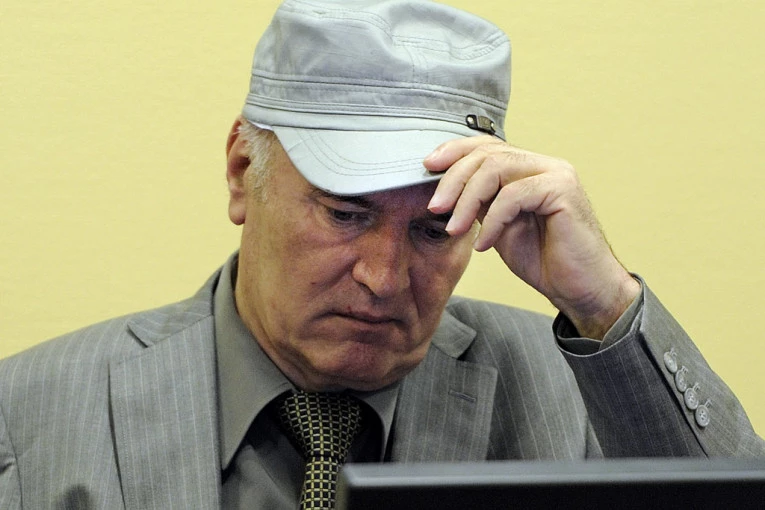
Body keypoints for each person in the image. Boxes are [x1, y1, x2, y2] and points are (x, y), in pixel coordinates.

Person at [1, 0, 763, 508]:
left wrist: (603, 302)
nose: (383, 277)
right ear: (240, 171)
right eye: (344, 213)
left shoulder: (574, 394)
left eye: (434, 228)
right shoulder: (30, 415)